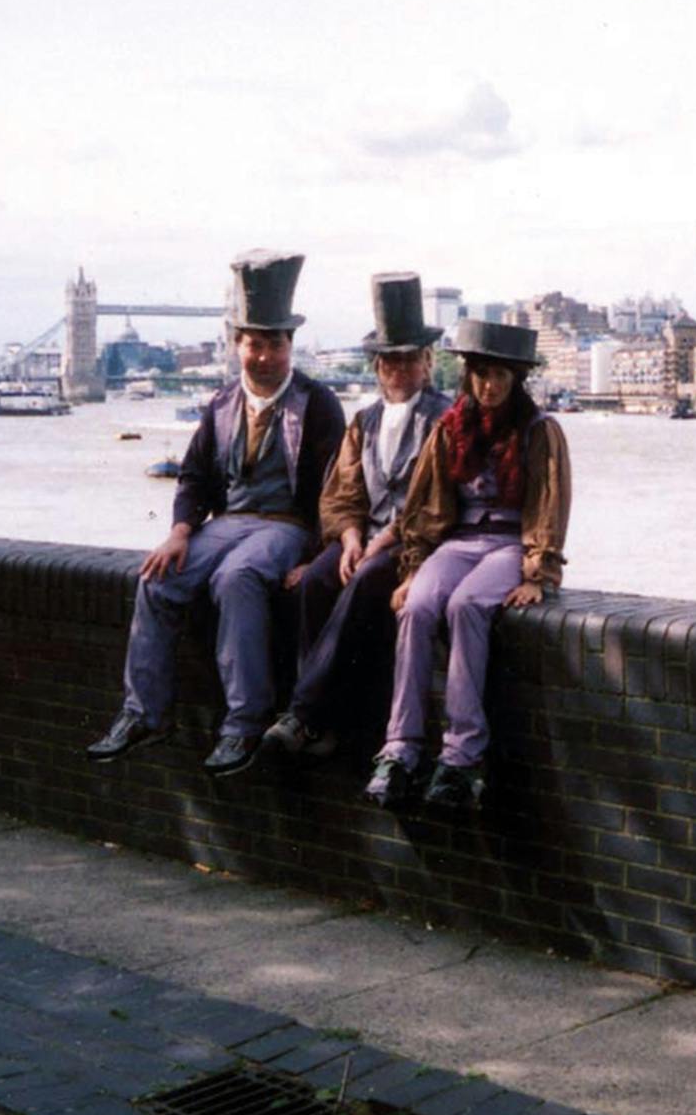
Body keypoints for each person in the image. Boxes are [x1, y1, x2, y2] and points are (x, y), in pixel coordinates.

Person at [86, 250, 345, 775]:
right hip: (225, 524)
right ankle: (145, 714)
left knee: (238, 578)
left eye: (275, 344)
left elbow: (335, 491)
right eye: (254, 344)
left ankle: (244, 725)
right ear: (237, 346)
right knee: (157, 581)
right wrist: (180, 532)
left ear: (290, 347)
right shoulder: (222, 404)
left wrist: (318, 556)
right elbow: (194, 477)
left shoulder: (318, 404)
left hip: (285, 528)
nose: (265, 356)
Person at [368, 318, 571, 811]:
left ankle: (462, 753)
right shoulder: (450, 428)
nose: (489, 385)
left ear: (516, 378)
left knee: (467, 607)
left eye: (500, 375)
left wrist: (537, 570)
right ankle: (401, 748)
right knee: (416, 608)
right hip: (458, 541)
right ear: (468, 376)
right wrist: (415, 568)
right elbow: (428, 505)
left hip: (508, 543)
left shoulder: (540, 430)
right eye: (480, 374)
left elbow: (549, 503)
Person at [263, 272, 452, 762]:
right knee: (317, 580)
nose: (399, 368)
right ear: (376, 366)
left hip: (414, 544)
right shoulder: (363, 421)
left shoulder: (445, 420)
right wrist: (347, 536)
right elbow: (342, 492)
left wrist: (385, 539)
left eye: (410, 357)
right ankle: (322, 721)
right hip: (362, 538)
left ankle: (305, 712)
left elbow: (435, 498)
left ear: (427, 362)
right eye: (390, 359)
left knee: (368, 579)